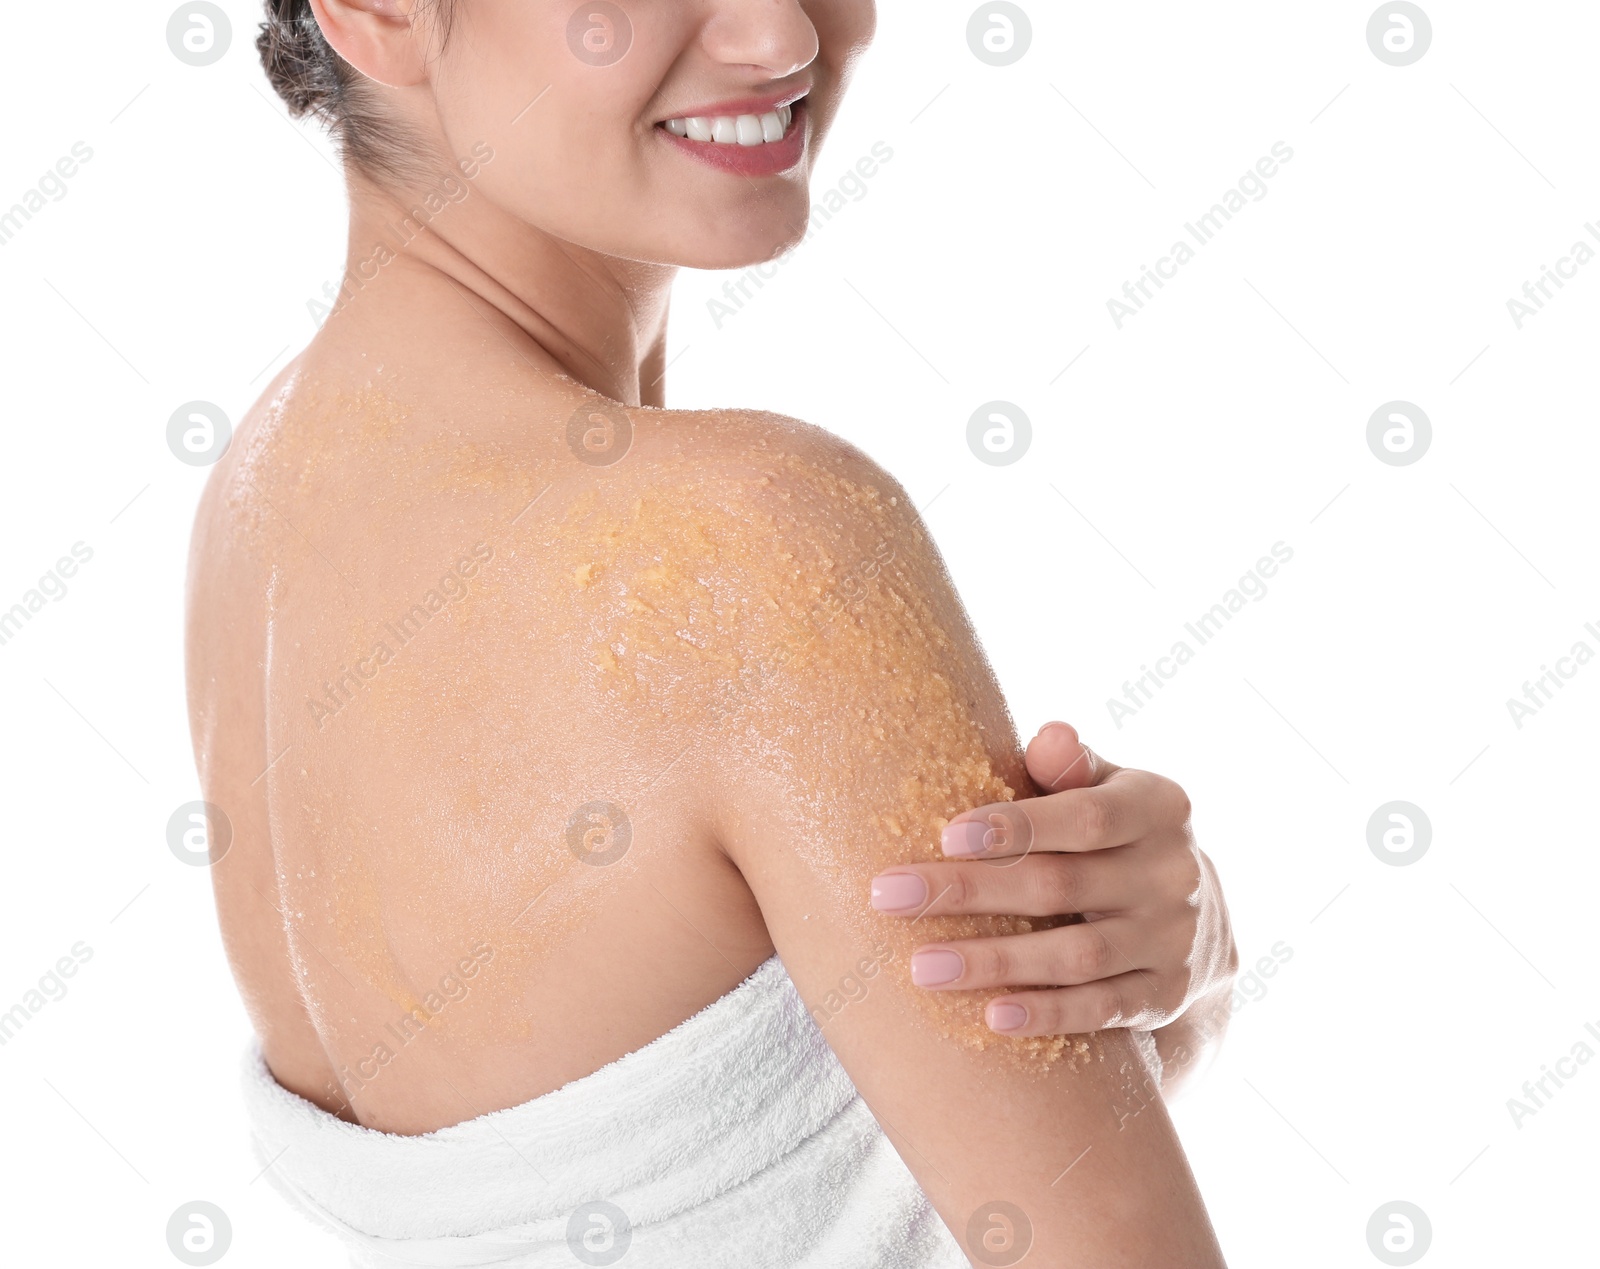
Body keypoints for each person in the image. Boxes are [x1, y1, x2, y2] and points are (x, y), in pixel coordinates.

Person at [185, 1, 1235, 1263]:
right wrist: (1186, 993)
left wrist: (1167, 994)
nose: (776, 32)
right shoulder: (746, 545)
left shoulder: (261, 498)